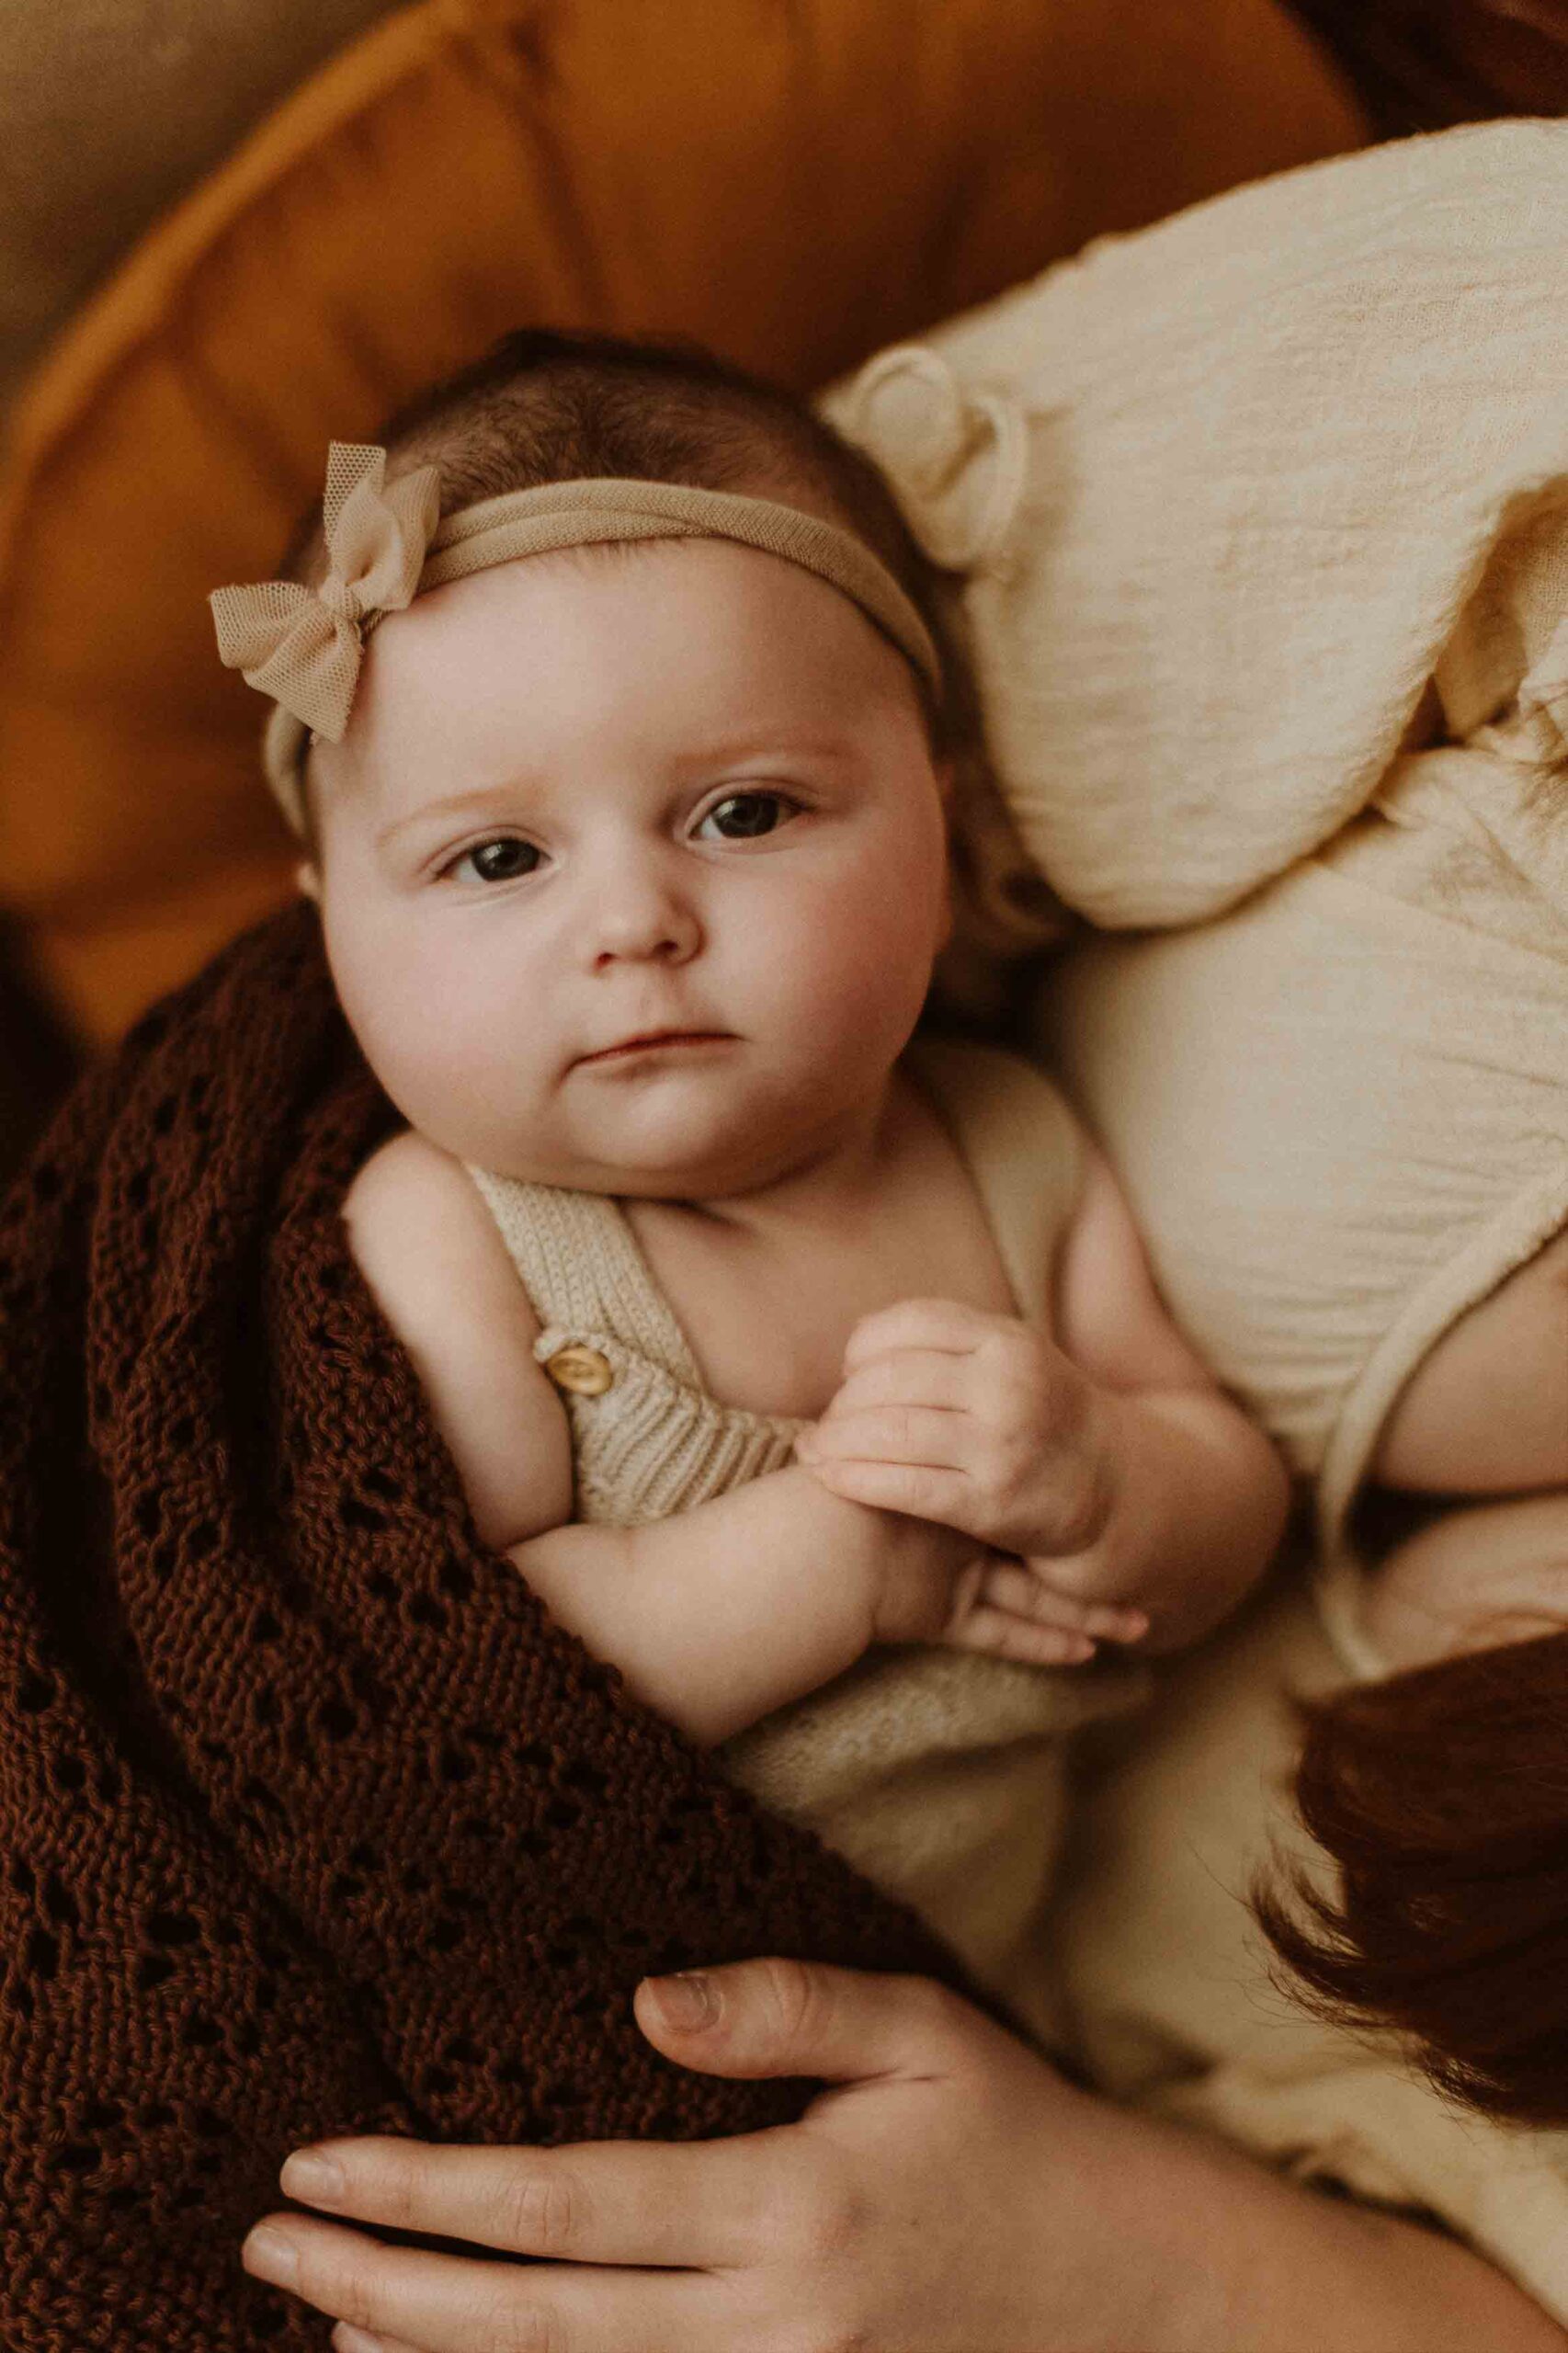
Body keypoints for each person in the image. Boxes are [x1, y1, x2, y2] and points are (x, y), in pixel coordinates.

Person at [208, 324, 1289, 2059]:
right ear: (327, 913)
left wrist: (1101, 1474)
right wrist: (848, 1561)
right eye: (498, 858)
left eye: (745, 812)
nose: (635, 920)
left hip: (1012, 1987)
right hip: (611, 2014)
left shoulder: (1010, 1140)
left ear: (941, 839)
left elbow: (1226, 1514)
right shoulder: (449, 1233)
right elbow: (452, 1678)